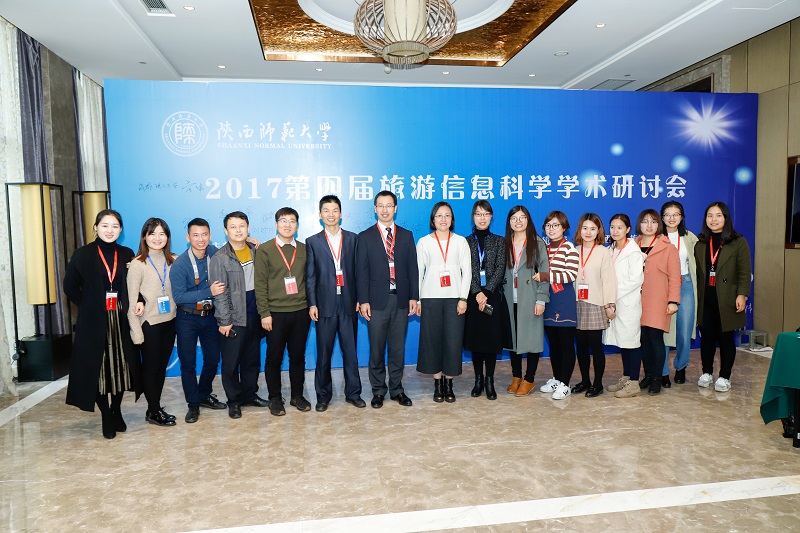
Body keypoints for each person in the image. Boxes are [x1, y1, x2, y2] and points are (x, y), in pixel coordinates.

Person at [64, 209, 142, 439]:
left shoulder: (126, 253)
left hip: (120, 318)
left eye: (115, 226)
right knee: (97, 369)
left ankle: (116, 409)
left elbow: (134, 284)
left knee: (121, 367)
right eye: (105, 225)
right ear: (96, 227)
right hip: (93, 320)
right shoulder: (83, 254)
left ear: (121, 230)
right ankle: (106, 414)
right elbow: (69, 286)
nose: (110, 230)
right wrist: (88, 305)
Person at [356, 191, 418, 408]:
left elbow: (412, 268)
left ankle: (397, 389)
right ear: (375, 209)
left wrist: (414, 297)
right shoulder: (365, 236)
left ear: (395, 208)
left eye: (389, 205)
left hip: (400, 301)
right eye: (380, 205)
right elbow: (361, 272)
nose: (385, 210)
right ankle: (378, 390)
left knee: (397, 349)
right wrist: (363, 300)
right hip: (376, 303)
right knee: (376, 349)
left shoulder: (406, 235)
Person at [306, 195, 365, 411]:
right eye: (326, 210)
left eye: (335, 210)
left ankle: (354, 393)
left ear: (341, 213)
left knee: (351, 352)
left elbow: (359, 272)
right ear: (320, 214)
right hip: (324, 305)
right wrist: (312, 304)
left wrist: (360, 298)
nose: (331, 214)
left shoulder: (353, 239)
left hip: (348, 302)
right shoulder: (313, 242)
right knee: (324, 353)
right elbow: (310, 276)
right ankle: (323, 396)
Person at [210, 211, 268, 419]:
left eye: (241, 226)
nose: (238, 230)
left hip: (255, 314)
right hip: (234, 318)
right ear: (226, 231)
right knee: (231, 363)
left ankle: (249, 395)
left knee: (252, 359)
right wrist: (224, 320)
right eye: (233, 227)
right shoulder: (220, 258)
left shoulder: (256, 250)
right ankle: (234, 401)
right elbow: (219, 293)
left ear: (248, 228)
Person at [169, 218, 228, 424]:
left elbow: (235, 248)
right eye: (195, 235)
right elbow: (179, 297)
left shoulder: (215, 253)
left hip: (210, 316)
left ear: (210, 236)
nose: (200, 239)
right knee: (188, 364)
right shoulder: (180, 264)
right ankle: (192, 404)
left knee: (213, 359)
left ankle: (203, 394)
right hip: (187, 317)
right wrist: (208, 291)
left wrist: (251, 242)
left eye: (204, 234)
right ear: (188, 237)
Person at [255, 207, 312, 416]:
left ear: (297, 225)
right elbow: (260, 284)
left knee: (297, 357)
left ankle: (297, 395)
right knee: (274, 358)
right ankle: (275, 398)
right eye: (283, 220)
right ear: (276, 224)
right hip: (275, 314)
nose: (287, 225)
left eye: (292, 221)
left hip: (301, 312)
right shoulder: (265, 249)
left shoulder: (305, 249)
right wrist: (264, 313)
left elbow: (310, 280)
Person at [416, 202, 471, 402]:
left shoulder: (460, 241)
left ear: (452, 219)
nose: (443, 219)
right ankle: (438, 383)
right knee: (432, 341)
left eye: (447, 215)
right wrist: (419, 300)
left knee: (452, 341)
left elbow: (467, 272)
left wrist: (463, 298)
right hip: (430, 298)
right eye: (439, 215)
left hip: (454, 299)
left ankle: (449, 383)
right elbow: (418, 272)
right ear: (433, 219)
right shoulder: (424, 242)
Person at [695, 201, 752, 392]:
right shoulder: (701, 243)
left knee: (726, 339)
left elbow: (744, 271)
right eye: (710, 215)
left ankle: (725, 376)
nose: (713, 219)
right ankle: (706, 372)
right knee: (707, 339)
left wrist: (742, 294)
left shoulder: (738, 242)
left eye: (718, 215)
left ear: (726, 218)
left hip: (727, 299)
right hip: (706, 299)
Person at [127, 218, 178, 426]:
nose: (157, 238)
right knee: (150, 368)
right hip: (149, 324)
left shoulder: (173, 260)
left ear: (167, 237)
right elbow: (132, 302)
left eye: (162, 234)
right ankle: (154, 410)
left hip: (170, 321)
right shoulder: (137, 264)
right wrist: (136, 333)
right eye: (152, 234)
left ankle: (153, 408)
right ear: (144, 237)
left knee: (161, 367)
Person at [463, 200, 508, 400]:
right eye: (478, 214)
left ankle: (489, 381)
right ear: (473, 217)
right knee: (476, 340)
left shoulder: (499, 241)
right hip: (472, 297)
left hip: (492, 297)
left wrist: (487, 291)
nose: (482, 218)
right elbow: (465, 270)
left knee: (490, 340)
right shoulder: (465, 242)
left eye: (486, 214)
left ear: (491, 217)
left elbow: (500, 268)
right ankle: (478, 380)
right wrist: (477, 292)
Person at [503, 206, 549, 397]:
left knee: (532, 339)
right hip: (509, 299)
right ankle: (516, 376)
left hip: (530, 298)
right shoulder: (505, 243)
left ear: (528, 220)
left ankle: (529, 379)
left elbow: (545, 272)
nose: (518, 221)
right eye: (514, 218)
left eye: (522, 217)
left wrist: (541, 299)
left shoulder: (537, 243)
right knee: (513, 339)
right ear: (509, 222)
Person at [534, 211, 579, 400]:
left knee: (566, 344)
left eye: (556, 225)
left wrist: (546, 276)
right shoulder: (543, 248)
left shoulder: (569, 248)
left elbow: (571, 274)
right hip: (548, 299)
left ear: (564, 227)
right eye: (548, 225)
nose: (551, 229)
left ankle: (565, 384)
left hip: (564, 299)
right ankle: (557, 379)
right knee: (553, 344)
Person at [635, 209, 681, 395]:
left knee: (655, 338)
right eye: (645, 221)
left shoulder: (668, 247)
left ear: (659, 224)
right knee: (643, 339)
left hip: (658, 299)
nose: (649, 225)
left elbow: (675, 277)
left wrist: (673, 301)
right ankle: (647, 375)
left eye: (653, 222)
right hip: (636, 301)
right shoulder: (633, 245)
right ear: (639, 224)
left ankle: (657, 378)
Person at [571, 213, 616, 398]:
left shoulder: (603, 252)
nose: (588, 232)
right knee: (580, 347)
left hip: (596, 303)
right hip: (576, 304)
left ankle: (598, 384)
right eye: (585, 228)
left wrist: (609, 305)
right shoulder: (573, 250)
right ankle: (585, 381)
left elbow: (609, 280)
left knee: (595, 346)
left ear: (599, 231)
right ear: (579, 230)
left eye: (593, 228)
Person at [603, 214, 645, 398]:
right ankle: (627, 377)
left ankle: (634, 383)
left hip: (627, 303)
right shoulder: (610, 249)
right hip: (614, 302)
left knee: (631, 342)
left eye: (620, 227)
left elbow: (635, 280)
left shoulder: (633, 251)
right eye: (612, 227)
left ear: (628, 229)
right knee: (623, 343)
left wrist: (611, 295)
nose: (615, 231)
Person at [661, 201, 698, 387]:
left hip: (685, 284)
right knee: (663, 330)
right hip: (662, 285)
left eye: (676, 214)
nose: (672, 218)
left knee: (684, 330)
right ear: (662, 217)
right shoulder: (657, 237)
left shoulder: (689, 237)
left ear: (682, 217)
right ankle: (662, 372)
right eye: (667, 214)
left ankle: (681, 366)